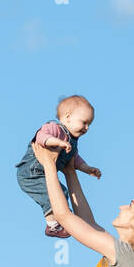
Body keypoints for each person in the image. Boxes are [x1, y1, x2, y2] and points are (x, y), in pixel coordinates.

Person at [15, 95, 101, 238]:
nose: (86, 128)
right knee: (56, 194)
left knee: (61, 193)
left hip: (43, 172)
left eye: (89, 125)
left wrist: (87, 169)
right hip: (31, 173)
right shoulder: (55, 128)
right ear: (68, 117)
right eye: (84, 122)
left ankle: (58, 222)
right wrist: (58, 142)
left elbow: (75, 160)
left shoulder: (72, 141)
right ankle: (53, 225)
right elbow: (41, 137)